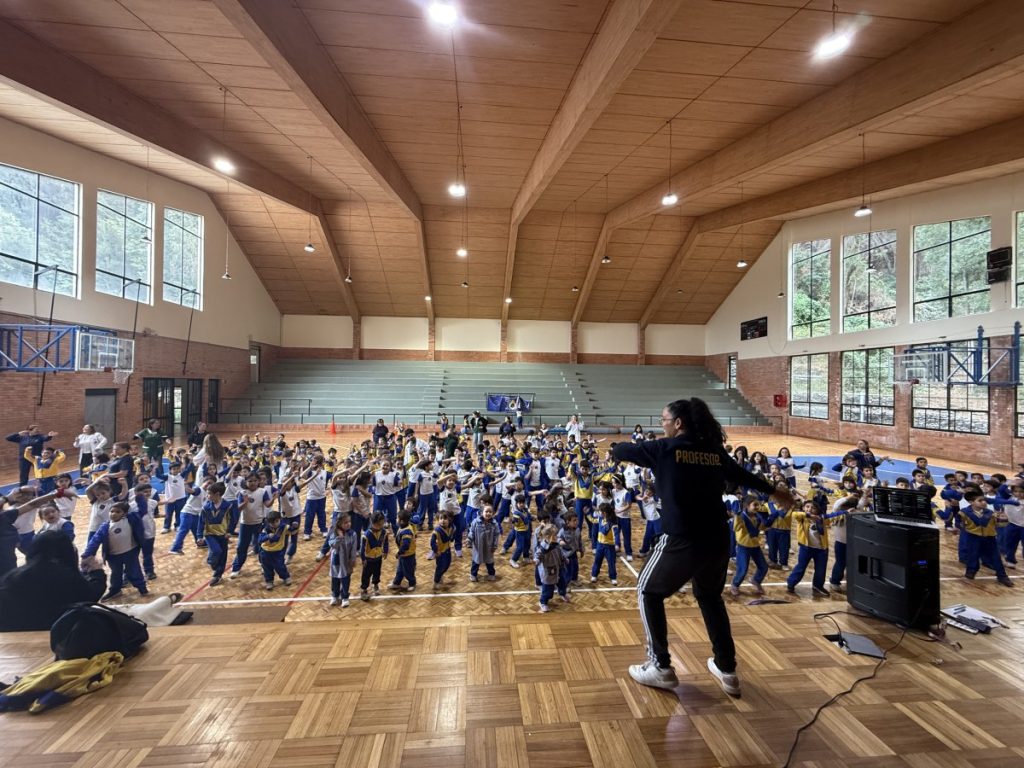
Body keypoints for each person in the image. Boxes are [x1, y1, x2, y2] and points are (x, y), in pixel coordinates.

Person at [611, 397, 791, 695]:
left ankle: (660, 666)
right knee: (710, 597)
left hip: (682, 538)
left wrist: (623, 444)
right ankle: (727, 668)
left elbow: (620, 451)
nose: (662, 425)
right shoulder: (714, 452)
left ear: (678, 423)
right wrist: (775, 492)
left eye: (664, 420)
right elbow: (743, 475)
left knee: (647, 590)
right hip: (717, 538)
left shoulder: (664, 448)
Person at [0, 530, 107, 631]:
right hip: (58, 634)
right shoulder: (66, 575)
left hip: (14, 634)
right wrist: (96, 572)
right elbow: (90, 596)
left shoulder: (14, 575)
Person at [467, 503, 499, 582]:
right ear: (481, 512)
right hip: (478, 546)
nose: (488, 513)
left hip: (489, 546)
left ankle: (491, 574)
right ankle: (473, 575)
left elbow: (496, 535)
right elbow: (471, 532)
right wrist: (469, 540)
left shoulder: (494, 523)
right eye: (486, 511)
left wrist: (495, 545)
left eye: (490, 512)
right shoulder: (475, 522)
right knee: (476, 561)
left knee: (489, 561)